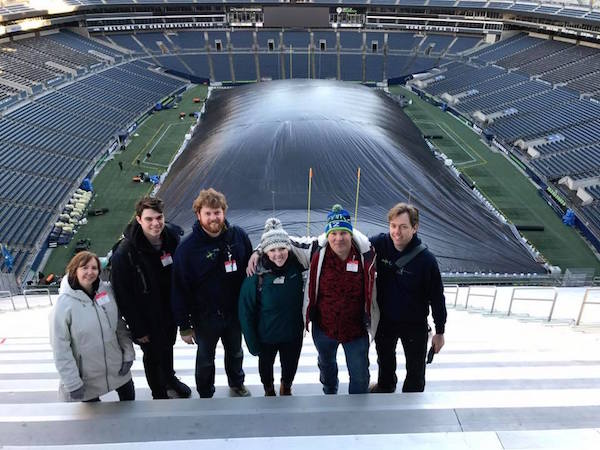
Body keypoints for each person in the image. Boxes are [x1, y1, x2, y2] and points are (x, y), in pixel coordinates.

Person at [171, 188, 253, 398]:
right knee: (206, 358)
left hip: (234, 313)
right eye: (208, 213)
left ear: (224, 212)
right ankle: (206, 391)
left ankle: (237, 383)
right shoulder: (187, 248)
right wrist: (184, 326)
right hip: (205, 316)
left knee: (236, 352)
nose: (213, 218)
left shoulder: (239, 236)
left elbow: (250, 271)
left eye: (217, 212)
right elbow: (179, 287)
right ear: (198, 215)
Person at [111, 196, 191, 400]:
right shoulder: (125, 252)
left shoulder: (172, 239)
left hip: (169, 311)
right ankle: (158, 391)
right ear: (139, 220)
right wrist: (138, 328)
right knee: (152, 356)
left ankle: (169, 379)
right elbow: (123, 295)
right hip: (146, 317)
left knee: (167, 347)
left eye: (159, 217)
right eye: (149, 219)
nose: (155, 223)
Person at [369, 203, 446, 393]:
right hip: (386, 319)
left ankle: (412, 400)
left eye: (403, 227)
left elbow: (437, 297)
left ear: (415, 227)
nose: (397, 232)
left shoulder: (426, 260)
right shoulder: (380, 244)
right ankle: (386, 386)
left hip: (414, 322)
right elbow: (352, 241)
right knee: (384, 360)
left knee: (416, 369)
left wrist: (440, 331)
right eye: (393, 226)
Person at [49, 251, 135, 402]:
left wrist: (128, 353)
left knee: (129, 405)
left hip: (117, 369)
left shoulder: (107, 292)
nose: (90, 272)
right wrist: (72, 383)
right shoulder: (63, 305)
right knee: (94, 422)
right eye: (84, 268)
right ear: (74, 270)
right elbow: (60, 348)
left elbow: (119, 325)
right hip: (87, 377)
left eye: (94, 268)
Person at [238, 218, 305, 396]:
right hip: (266, 337)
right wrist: (252, 343)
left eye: (282, 248)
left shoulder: (298, 269)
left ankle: (286, 386)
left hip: (292, 335)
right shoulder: (256, 277)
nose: (278, 254)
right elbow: (245, 313)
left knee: (290, 366)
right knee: (266, 369)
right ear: (265, 253)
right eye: (272, 250)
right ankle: (269, 389)